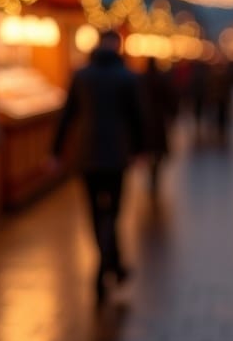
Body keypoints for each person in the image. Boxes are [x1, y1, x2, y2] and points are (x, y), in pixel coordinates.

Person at [52, 30, 144, 304]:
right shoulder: (127, 76)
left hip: (86, 153)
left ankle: (107, 264)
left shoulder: (81, 76)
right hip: (117, 154)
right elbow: (138, 117)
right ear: (117, 46)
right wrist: (139, 150)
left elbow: (67, 115)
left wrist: (55, 151)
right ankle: (109, 264)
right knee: (113, 212)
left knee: (94, 212)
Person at [141, 56, 178, 195]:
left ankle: (151, 172)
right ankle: (154, 173)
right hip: (158, 120)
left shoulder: (141, 80)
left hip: (145, 120)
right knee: (157, 150)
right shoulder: (162, 80)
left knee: (148, 148)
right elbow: (171, 99)